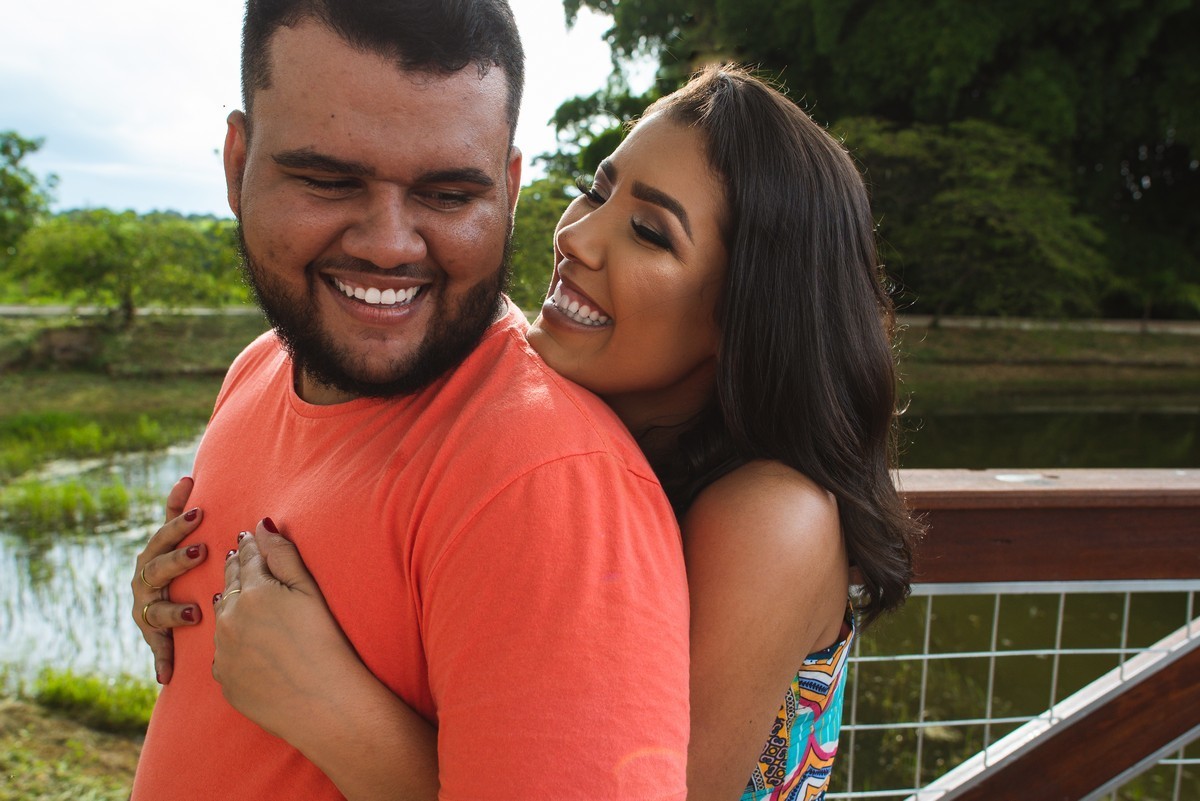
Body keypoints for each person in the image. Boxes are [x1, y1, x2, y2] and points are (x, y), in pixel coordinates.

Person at [135, 62, 922, 800]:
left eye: (649, 233)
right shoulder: (566, 432)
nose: (576, 236)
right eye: (596, 189)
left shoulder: (771, 514)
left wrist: (326, 704)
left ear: (745, 309)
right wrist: (194, 585)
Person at [127, 1, 693, 799]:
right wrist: (178, 594)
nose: (390, 244)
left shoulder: (550, 483)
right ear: (237, 164)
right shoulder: (260, 368)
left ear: (509, 188)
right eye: (328, 180)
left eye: (448, 195)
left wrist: (334, 712)